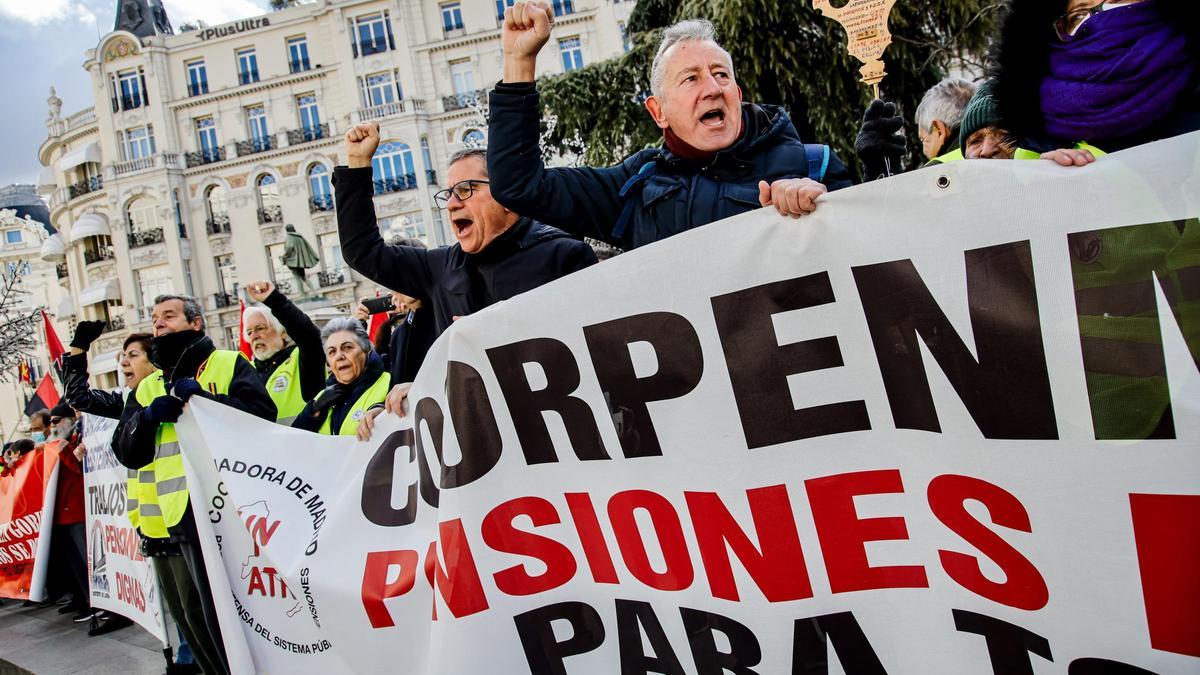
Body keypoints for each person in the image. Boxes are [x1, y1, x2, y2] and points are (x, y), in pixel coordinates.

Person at [487, 10, 853, 250]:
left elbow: (875, 260)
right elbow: (518, 185)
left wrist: (826, 206)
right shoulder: (632, 190)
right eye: (691, 78)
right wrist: (519, 62)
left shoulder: (815, 165)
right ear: (658, 111)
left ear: (737, 94)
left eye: (721, 75)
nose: (712, 88)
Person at [114, 295, 276, 675]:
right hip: (179, 519)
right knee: (196, 616)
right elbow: (125, 448)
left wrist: (209, 400)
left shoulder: (227, 363)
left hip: (232, 513)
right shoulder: (147, 386)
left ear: (196, 323)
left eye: (169, 316)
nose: (159, 325)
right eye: (154, 319)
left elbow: (262, 419)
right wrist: (148, 418)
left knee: (241, 613)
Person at [336, 140, 597, 336]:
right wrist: (358, 165)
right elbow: (362, 251)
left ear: (505, 194)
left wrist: (497, 329)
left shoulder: (564, 256)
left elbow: (595, 341)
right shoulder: (437, 267)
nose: (451, 204)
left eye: (464, 190)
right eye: (448, 194)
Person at [992, 0, 1198, 153]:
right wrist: (1053, 181)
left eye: (1116, 1)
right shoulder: (1040, 140)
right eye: (1078, 15)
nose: (1097, 20)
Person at [958, 80, 1098, 166]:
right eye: (975, 141)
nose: (986, 150)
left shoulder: (1062, 172)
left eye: (1003, 135)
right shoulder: (951, 203)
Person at [243, 280, 326, 423]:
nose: (254, 336)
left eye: (260, 328)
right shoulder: (246, 371)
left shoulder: (301, 359)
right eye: (249, 332)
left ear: (283, 333)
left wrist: (273, 299)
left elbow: (308, 335)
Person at [291, 318, 390, 436]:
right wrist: (314, 409)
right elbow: (295, 438)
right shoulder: (323, 396)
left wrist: (382, 411)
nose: (339, 356)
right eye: (332, 352)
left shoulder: (391, 382)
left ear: (366, 350)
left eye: (347, 347)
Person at [45, 402, 97, 624]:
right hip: (62, 514)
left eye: (57, 421)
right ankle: (86, 600)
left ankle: (97, 604)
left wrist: (63, 449)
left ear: (69, 420)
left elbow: (79, 470)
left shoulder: (76, 438)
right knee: (76, 564)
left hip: (77, 511)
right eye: (51, 422)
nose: (53, 426)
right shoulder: (57, 443)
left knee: (88, 562)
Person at [915, 77, 978, 164]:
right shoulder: (995, 151)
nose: (923, 151)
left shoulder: (937, 170)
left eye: (924, 140)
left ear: (940, 131)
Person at [281, 224, 321, 296]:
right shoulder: (299, 237)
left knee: (298, 278)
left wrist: (284, 256)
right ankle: (315, 292)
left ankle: (302, 294)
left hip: (293, 262)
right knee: (304, 278)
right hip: (300, 262)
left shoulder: (290, 237)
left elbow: (289, 248)